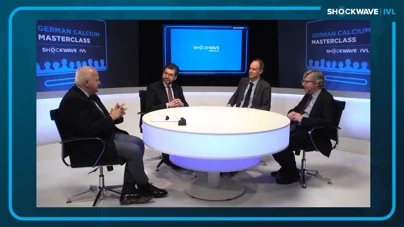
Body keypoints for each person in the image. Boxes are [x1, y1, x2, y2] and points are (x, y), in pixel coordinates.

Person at [58, 66, 168, 205]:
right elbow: (87, 130)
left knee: (138, 142)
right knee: (133, 150)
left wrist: (116, 115)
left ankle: (128, 190)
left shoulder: (90, 95)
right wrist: (111, 117)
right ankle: (144, 187)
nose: (99, 83)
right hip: (89, 144)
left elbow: (103, 119)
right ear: (87, 82)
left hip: (104, 134)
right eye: (96, 80)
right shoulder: (74, 100)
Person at [271, 69, 336, 184]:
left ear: (316, 83)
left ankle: (291, 173)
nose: (303, 84)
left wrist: (303, 119)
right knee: (274, 138)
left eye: (306, 81)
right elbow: (297, 108)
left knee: (283, 142)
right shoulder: (308, 95)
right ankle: (287, 168)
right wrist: (291, 113)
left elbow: (328, 123)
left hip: (314, 133)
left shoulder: (326, 98)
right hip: (300, 127)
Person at [145, 63, 189, 169]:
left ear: (175, 77)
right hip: (161, 121)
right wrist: (168, 105)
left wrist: (182, 104)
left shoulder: (178, 88)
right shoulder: (153, 87)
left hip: (176, 119)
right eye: (165, 73)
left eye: (170, 75)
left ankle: (183, 156)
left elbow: (187, 106)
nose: (166, 76)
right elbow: (149, 108)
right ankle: (170, 158)